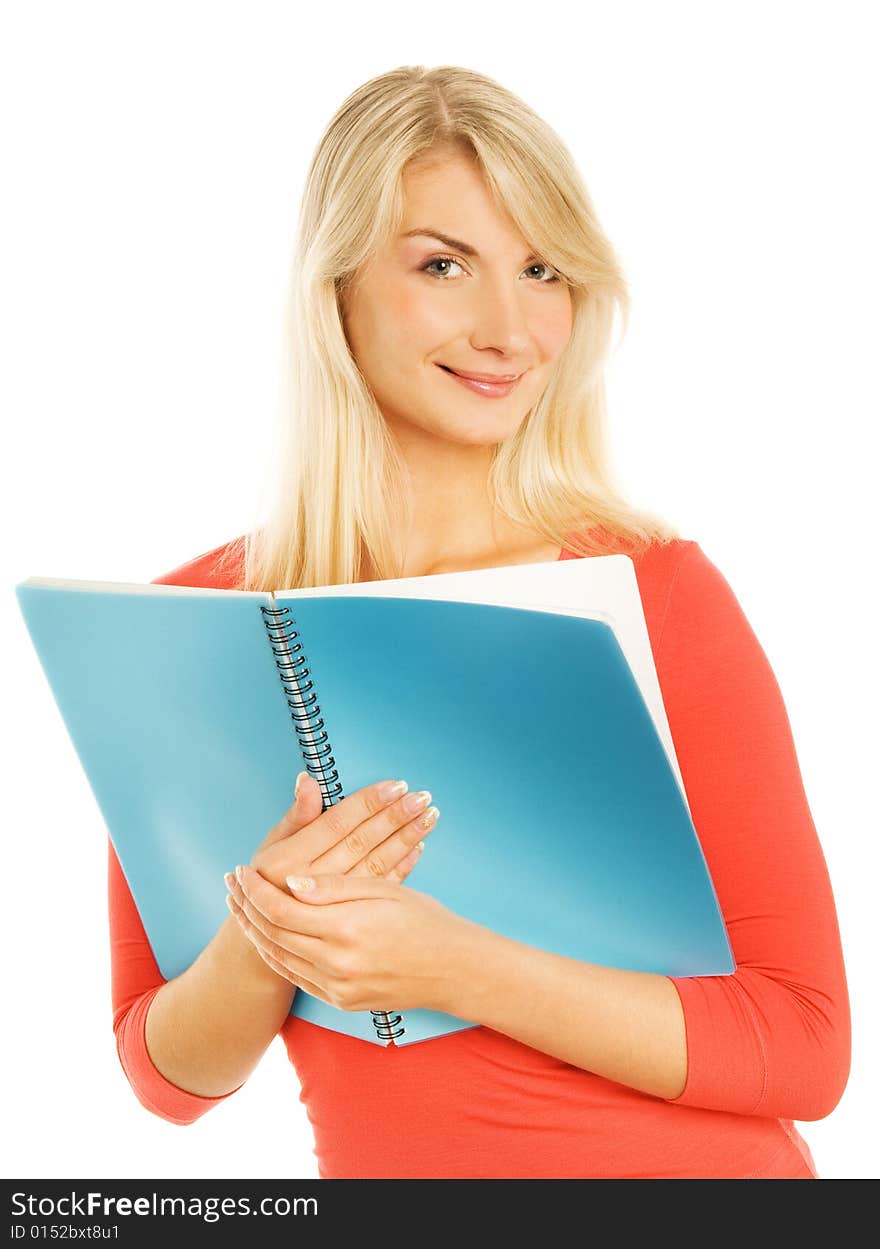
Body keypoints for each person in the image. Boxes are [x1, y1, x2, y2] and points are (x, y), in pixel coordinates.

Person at [109, 64, 850, 1179]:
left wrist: (452, 965)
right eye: (443, 264)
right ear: (337, 286)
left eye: (542, 269)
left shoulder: (656, 592)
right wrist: (270, 927)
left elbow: (805, 1046)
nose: (508, 328)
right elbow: (168, 1078)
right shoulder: (190, 628)